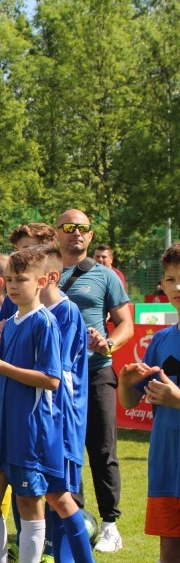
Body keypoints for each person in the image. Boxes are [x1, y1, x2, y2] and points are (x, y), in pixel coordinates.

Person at [0, 248, 93, 563]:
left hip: (29, 429)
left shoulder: (45, 322)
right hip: (0, 426)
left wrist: (0, 367)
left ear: (42, 281)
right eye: (12, 280)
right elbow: (7, 380)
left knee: (29, 504)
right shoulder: (13, 322)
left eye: (22, 280)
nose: (14, 286)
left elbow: (51, 380)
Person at [56, 209, 133, 552]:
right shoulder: (47, 273)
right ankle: (75, 520)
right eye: (69, 227)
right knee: (65, 452)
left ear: (89, 235)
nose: (76, 233)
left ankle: (110, 525)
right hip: (56, 375)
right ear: (58, 233)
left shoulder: (105, 275)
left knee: (102, 449)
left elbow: (125, 325)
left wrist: (110, 343)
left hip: (97, 370)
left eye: (83, 229)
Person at [118, 241, 180, 563]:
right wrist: (126, 385)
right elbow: (129, 402)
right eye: (170, 279)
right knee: (169, 550)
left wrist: (177, 398)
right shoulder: (161, 339)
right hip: (167, 464)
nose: (177, 286)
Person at [37, 245, 94, 561]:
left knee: (62, 496)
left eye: (26, 277)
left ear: (49, 278)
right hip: (45, 416)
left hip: (64, 417)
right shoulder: (37, 314)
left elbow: (58, 370)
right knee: (50, 496)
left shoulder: (66, 311)